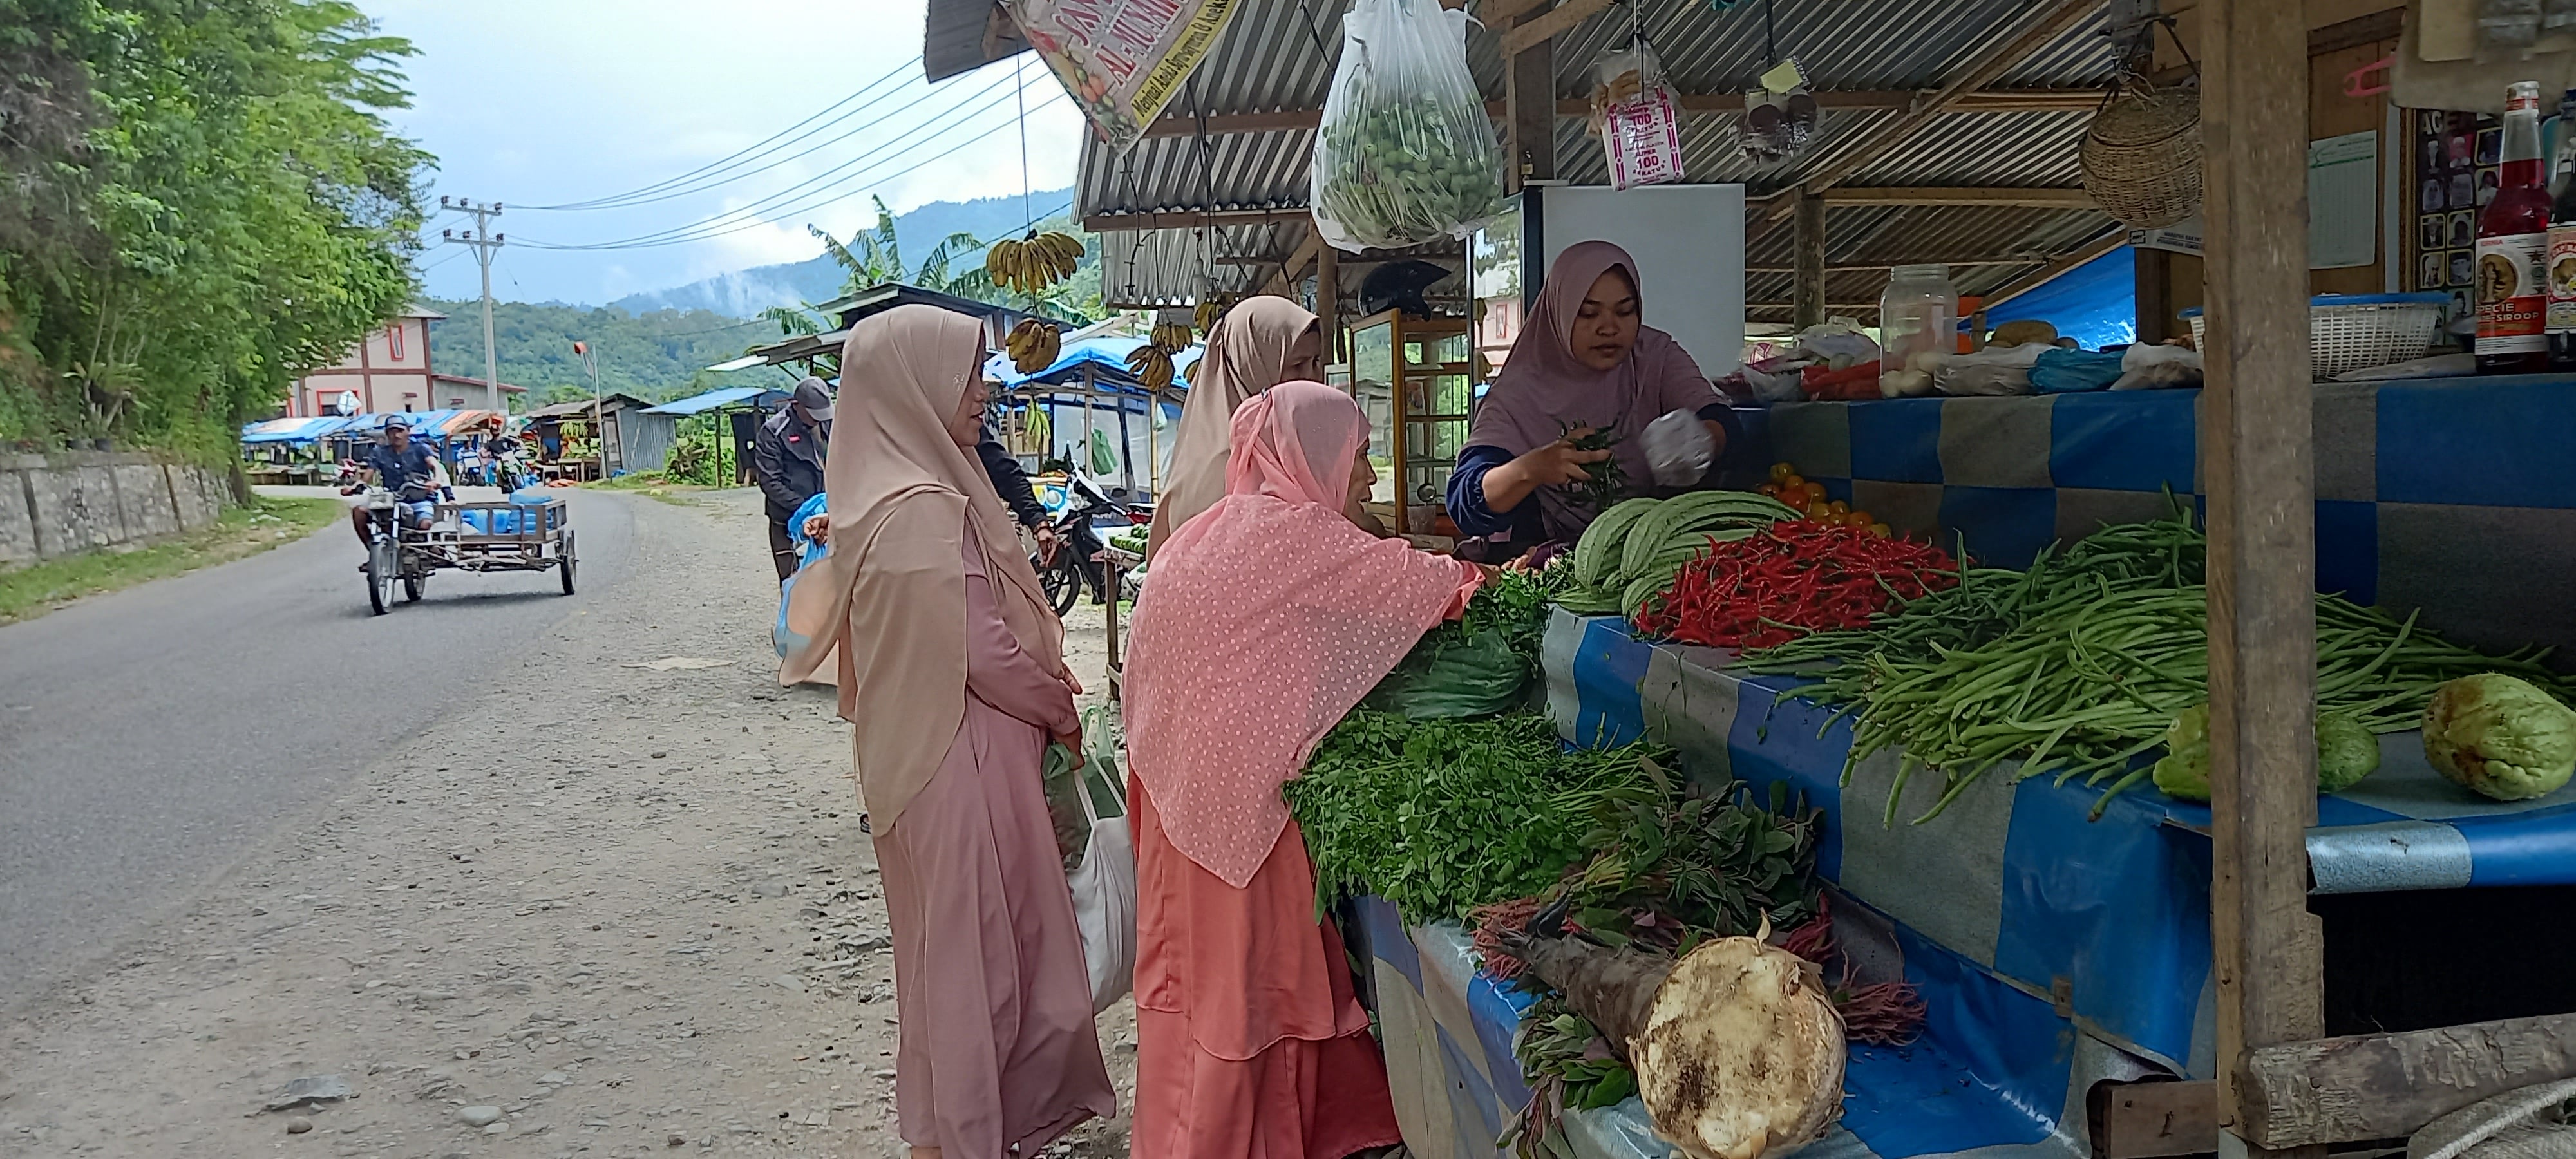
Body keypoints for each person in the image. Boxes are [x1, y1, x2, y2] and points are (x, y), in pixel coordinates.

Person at [777, 305, 1115, 1159]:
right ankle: (972, 1136)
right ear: (913, 386)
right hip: (962, 763)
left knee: (949, 965)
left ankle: (950, 1134)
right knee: (982, 969)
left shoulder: (880, 497)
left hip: (922, 761)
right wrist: (1058, 706)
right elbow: (982, 653)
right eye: (965, 373)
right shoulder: (922, 508)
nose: (984, 391)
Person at [1119, 381, 1484, 1159]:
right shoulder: (1299, 535)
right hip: (1242, 812)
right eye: (1360, 455)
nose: (1370, 477)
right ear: (1309, 456)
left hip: (1175, 797)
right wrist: (1504, 574)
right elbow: (1436, 587)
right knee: (1249, 995)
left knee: (1201, 990)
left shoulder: (1204, 531)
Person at [1445, 241, 1743, 552]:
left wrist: (1702, 440)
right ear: (1560, 314)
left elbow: (1721, 420)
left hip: (1659, 547)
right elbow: (1466, 502)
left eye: (1625, 311)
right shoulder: (1517, 393)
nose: (1609, 328)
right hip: (1556, 557)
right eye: (1588, 314)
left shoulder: (1655, 357)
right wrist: (1533, 468)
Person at [1141, 296, 1323, 561]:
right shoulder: (1227, 470)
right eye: (1297, 365)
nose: (1313, 378)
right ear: (1251, 367)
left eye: (1316, 363)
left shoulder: (1280, 450)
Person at [754, 377, 835, 581]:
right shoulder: (774, 431)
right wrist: (807, 509)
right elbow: (770, 482)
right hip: (787, 519)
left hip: (827, 519)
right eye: (813, 413)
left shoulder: (829, 424)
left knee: (830, 582)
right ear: (796, 405)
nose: (818, 419)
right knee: (793, 581)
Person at [343, 419, 441, 548]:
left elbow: (434, 465)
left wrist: (435, 481)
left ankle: (421, 550)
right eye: (392, 431)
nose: (396, 435)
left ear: (408, 431)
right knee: (359, 512)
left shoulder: (420, 448)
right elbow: (368, 475)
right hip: (391, 501)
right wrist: (355, 487)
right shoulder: (380, 452)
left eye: (400, 431)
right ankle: (374, 552)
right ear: (387, 434)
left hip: (421, 498)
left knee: (425, 524)